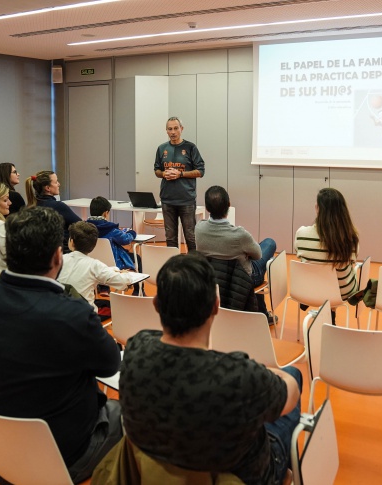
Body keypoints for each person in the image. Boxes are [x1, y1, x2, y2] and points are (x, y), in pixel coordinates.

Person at [0, 207, 121, 483]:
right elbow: (111, 363)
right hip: (63, 450)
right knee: (127, 415)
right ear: (57, 256)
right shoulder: (73, 312)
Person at [119, 253, 301, 484]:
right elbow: (291, 393)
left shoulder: (135, 350)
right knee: (293, 375)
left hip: (155, 470)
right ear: (216, 306)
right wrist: (264, 374)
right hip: (243, 476)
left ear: (156, 304)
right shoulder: (238, 375)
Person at [195, 185, 277, 321]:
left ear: (207, 208)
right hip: (242, 279)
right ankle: (262, 314)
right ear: (228, 205)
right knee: (269, 243)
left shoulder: (199, 228)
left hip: (211, 277)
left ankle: (262, 313)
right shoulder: (239, 234)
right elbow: (257, 255)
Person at [295, 188, 362, 308]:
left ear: (317, 208)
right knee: (346, 270)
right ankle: (331, 313)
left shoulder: (301, 234)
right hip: (341, 293)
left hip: (307, 290)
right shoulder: (351, 238)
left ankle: (314, 301)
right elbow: (352, 260)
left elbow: (299, 253)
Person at [58, 221, 139, 309]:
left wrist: (112, 269)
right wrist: (125, 274)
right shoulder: (94, 265)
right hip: (82, 314)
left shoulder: (58, 260)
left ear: (71, 242)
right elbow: (122, 281)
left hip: (57, 309)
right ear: (94, 244)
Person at [154, 116, 205, 251]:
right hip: (167, 199)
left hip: (186, 200)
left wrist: (180, 174)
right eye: (170, 129)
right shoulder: (161, 148)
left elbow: (200, 171)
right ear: (166, 131)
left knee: (191, 237)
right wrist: (163, 174)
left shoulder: (190, 147)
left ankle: (193, 267)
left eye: (176, 128)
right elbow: (156, 170)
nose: (173, 132)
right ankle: (174, 269)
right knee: (170, 237)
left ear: (181, 129)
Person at [25, 170, 81, 252]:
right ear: (48, 188)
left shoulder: (30, 207)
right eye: (56, 182)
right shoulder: (58, 206)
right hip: (63, 252)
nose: (59, 184)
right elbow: (81, 225)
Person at [86, 196, 139, 272]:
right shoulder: (111, 229)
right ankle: (137, 283)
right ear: (106, 213)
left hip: (92, 263)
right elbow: (125, 239)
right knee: (137, 258)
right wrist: (132, 232)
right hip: (114, 263)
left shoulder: (84, 227)